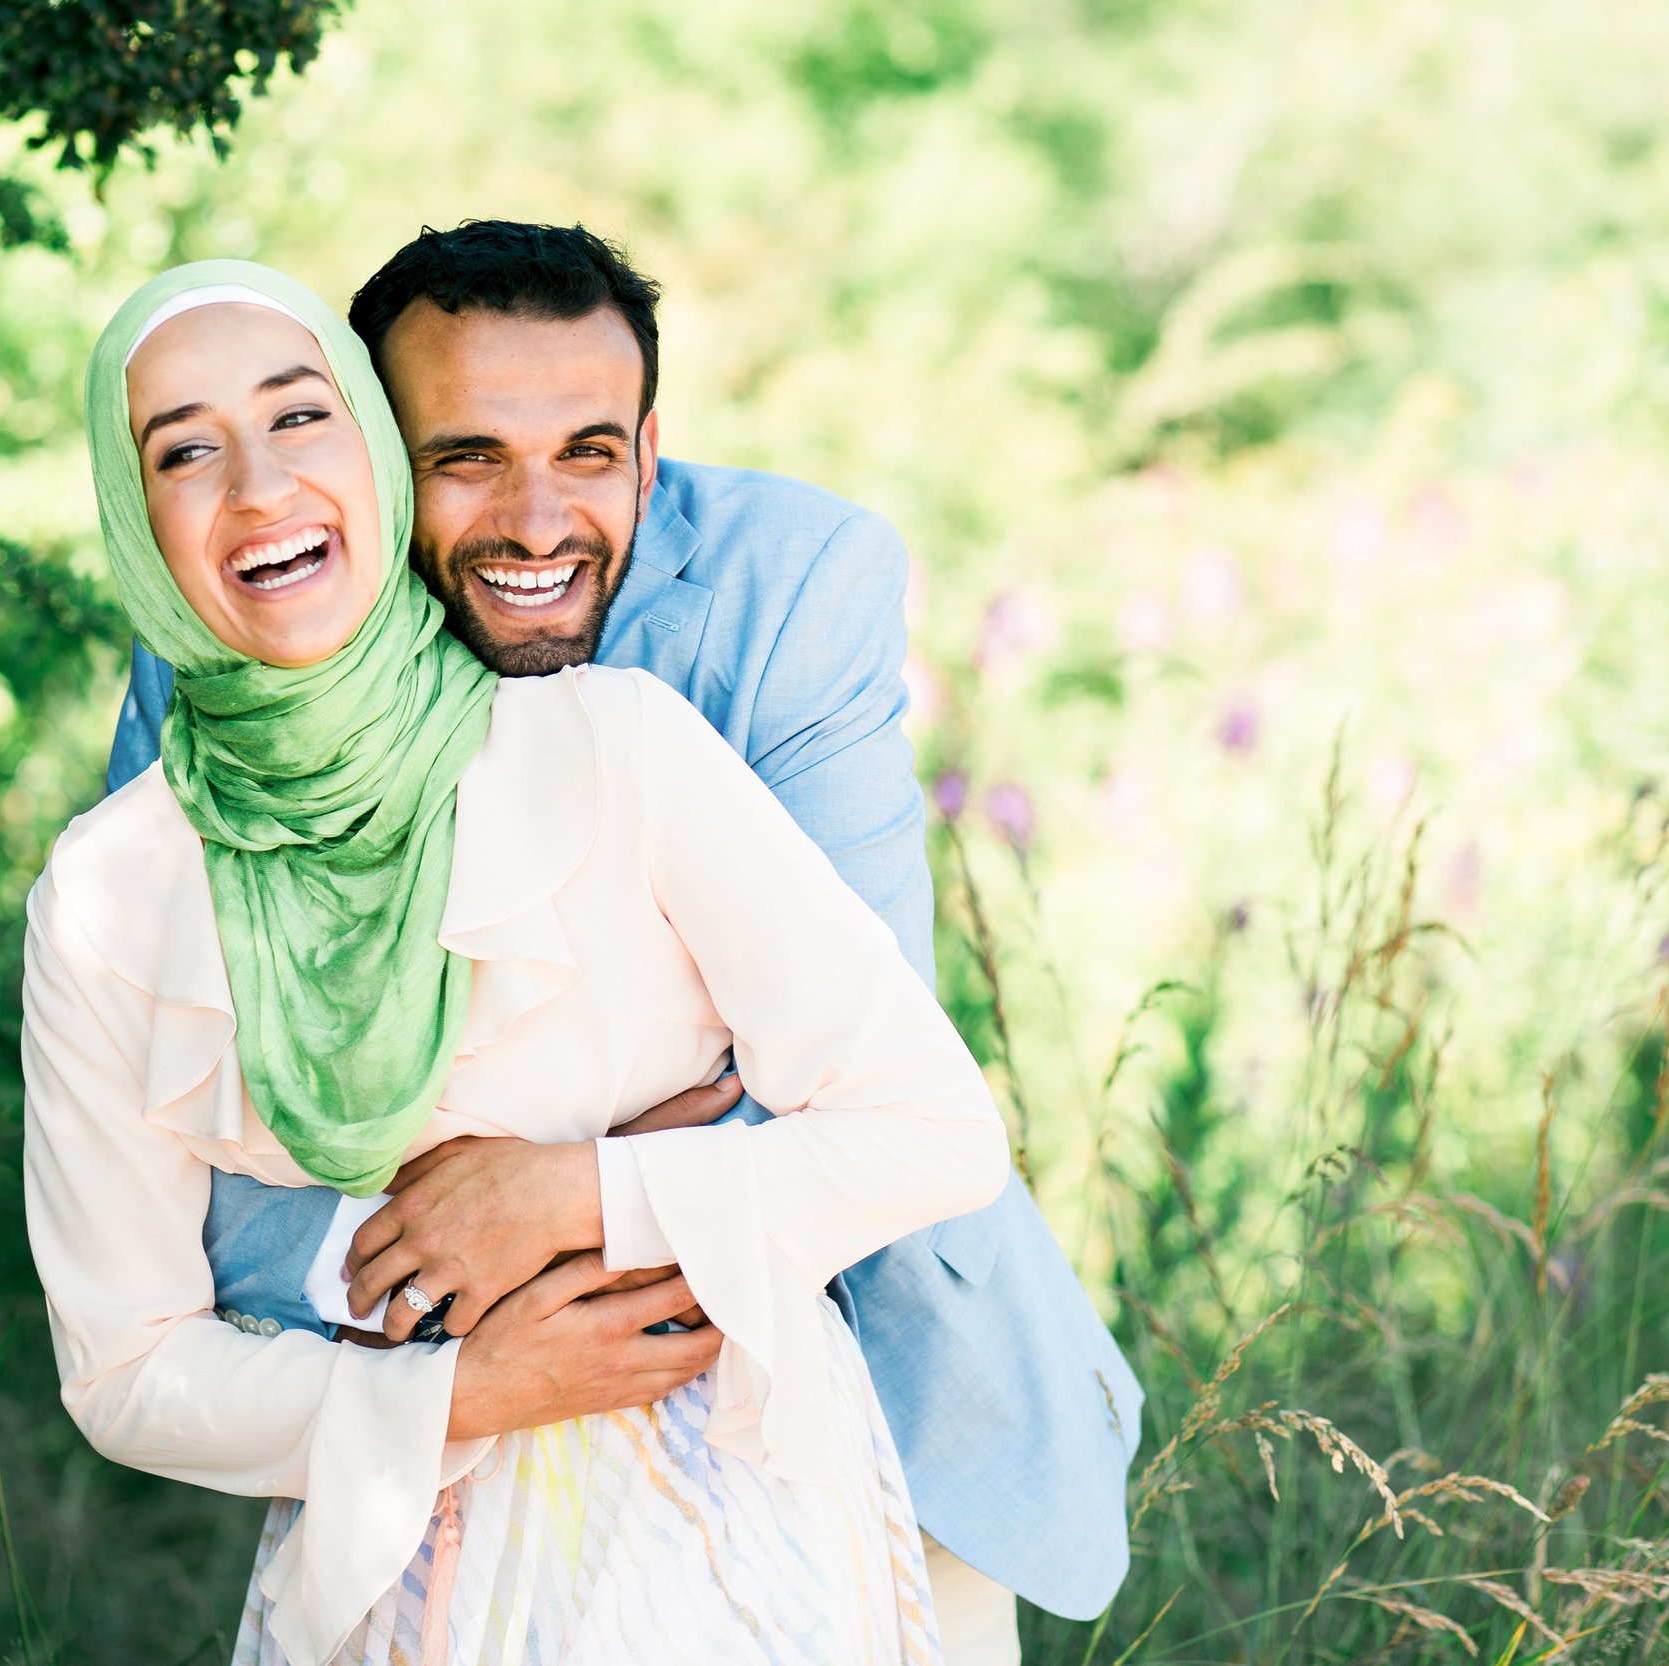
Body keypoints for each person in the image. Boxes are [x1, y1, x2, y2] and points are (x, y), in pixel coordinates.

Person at [106, 224, 1141, 1664]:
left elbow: (855, 1071)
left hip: (865, 1382)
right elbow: (209, 1111)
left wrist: (548, 1193)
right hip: (436, 1433)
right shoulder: (239, 632)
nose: (536, 521)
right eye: (465, 456)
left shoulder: (793, 584)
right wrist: (450, 1300)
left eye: (588, 451)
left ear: (651, 453)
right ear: (371, 459)